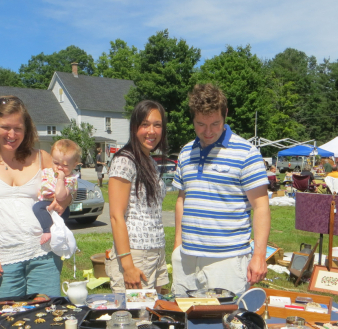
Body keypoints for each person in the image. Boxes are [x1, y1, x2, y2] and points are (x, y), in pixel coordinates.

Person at [0, 96, 71, 298]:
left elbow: (64, 196)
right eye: (5, 127)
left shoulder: (42, 158)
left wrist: (62, 201)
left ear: (26, 129)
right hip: (3, 258)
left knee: (47, 317)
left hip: (45, 253)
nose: (12, 134)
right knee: (9, 320)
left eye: (18, 128)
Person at [172, 84, 270, 296]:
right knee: (185, 323)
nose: (208, 131)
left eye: (215, 123)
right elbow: (182, 200)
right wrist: (177, 245)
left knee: (226, 326)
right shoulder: (186, 151)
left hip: (227, 262)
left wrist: (259, 256)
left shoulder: (247, 153)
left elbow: (261, 205)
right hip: (187, 260)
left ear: (225, 114)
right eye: (200, 124)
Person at [105, 100, 169, 293]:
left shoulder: (148, 160)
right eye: (145, 124)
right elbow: (116, 216)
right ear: (134, 127)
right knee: (137, 318)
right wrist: (128, 265)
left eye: (157, 125)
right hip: (135, 253)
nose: (152, 131)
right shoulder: (125, 160)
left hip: (155, 250)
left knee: (153, 316)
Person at [33, 139, 80, 244]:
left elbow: (60, 196)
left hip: (60, 208)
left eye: (65, 165)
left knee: (37, 208)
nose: (59, 167)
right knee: (38, 207)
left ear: (74, 164)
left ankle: (47, 231)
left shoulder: (71, 179)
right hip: (46, 202)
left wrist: (60, 179)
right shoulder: (47, 171)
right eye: (56, 163)